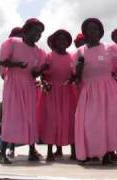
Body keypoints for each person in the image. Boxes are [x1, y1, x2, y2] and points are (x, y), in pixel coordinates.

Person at [74, 18, 117, 165]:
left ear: (100, 31)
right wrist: (79, 67)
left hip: (108, 89)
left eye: (95, 29)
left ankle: (108, 153)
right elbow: (77, 76)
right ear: (85, 32)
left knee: (110, 121)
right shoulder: (80, 51)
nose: (92, 31)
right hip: (90, 91)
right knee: (91, 123)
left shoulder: (110, 46)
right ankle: (91, 152)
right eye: (89, 29)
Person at [0, 18, 47, 164]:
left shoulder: (39, 51)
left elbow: (33, 74)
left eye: (40, 32)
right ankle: (2, 154)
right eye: (35, 31)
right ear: (26, 31)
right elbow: (2, 61)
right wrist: (16, 64)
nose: (38, 35)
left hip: (29, 84)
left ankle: (32, 151)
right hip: (13, 82)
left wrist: (41, 70)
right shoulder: (12, 42)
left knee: (30, 117)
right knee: (11, 116)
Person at [38, 29, 78, 161]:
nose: (62, 41)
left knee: (71, 120)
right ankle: (50, 151)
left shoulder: (72, 57)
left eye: (65, 39)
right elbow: (42, 74)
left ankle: (74, 151)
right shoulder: (49, 56)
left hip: (68, 92)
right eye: (59, 39)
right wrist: (45, 83)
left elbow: (74, 74)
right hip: (52, 93)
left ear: (68, 42)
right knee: (52, 121)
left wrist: (71, 80)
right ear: (54, 42)